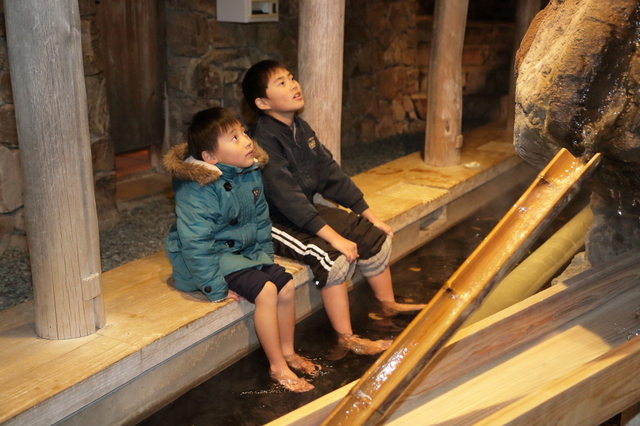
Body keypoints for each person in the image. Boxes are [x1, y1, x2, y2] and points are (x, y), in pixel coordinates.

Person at [242, 60, 426, 356]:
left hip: (302, 211)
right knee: (331, 257)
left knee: (372, 236)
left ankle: (388, 305)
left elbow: (329, 173)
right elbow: (288, 199)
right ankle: (346, 338)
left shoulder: (300, 128)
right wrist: (335, 238)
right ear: (263, 103)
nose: (293, 85)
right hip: (271, 220)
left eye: (291, 78)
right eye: (281, 83)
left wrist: (369, 215)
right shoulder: (263, 139)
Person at [164, 107, 320, 392]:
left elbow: (261, 220)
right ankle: (277, 367)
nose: (247, 140)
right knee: (267, 291)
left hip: (243, 253)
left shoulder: (249, 172)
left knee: (285, 284)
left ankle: (288, 352)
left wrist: (266, 260)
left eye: (244, 133)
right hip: (213, 257)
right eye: (234, 138)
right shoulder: (197, 187)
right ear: (210, 157)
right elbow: (195, 242)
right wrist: (214, 288)